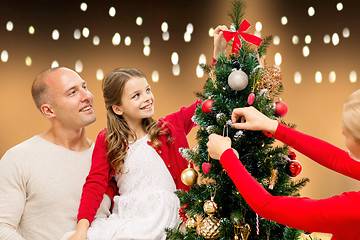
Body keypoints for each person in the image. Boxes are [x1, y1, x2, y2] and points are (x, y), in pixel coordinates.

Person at [67, 25, 229, 240]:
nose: (147, 98)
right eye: (136, 95)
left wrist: (218, 54)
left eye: (148, 90)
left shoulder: (169, 127)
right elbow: (95, 184)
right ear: (117, 108)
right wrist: (81, 230)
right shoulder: (107, 140)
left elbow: (209, 101)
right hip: (131, 217)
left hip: (170, 215)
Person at [206, 89, 360, 240]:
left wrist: (225, 155)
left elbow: (265, 205)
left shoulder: (353, 210)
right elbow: (337, 159)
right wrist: (272, 126)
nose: (344, 141)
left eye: (347, 134)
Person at [0, 67, 117, 240]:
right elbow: (3, 228)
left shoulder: (110, 158)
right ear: (49, 111)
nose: (87, 96)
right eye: (72, 92)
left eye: (84, 87)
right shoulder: (19, 158)